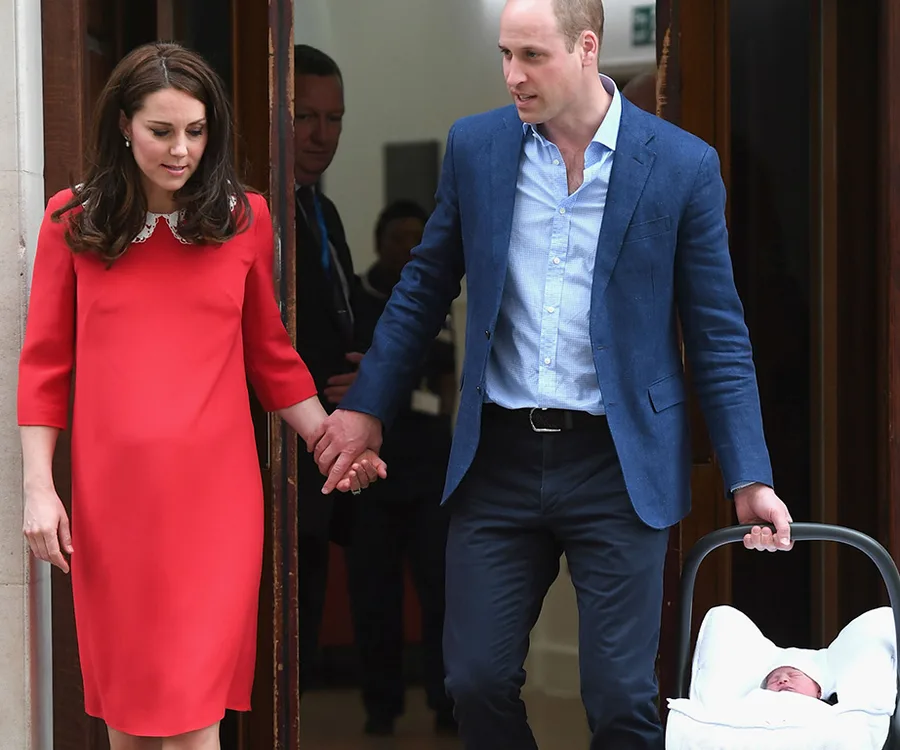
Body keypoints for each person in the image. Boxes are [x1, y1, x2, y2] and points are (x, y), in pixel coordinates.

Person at [309, 0, 794, 748]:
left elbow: (718, 336)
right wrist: (369, 406)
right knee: (473, 681)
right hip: (497, 457)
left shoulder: (682, 166)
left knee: (621, 698)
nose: (512, 75)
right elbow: (422, 289)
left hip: (617, 464)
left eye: (532, 56)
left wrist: (748, 476)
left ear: (586, 48)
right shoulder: (477, 148)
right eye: (505, 54)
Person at [17, 42, 383, 750]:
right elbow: (43, 367)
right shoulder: (73, 222)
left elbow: (272, 359)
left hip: (216, 508)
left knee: (194, 718)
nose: (181, 149)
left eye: (196, 130)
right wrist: (39, 488)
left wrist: (328, 439)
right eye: (161, 131)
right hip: (114, 506)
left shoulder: (244, 221)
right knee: (129, 720)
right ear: (124, 125)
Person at [347, 200, 457, 736]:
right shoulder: (357, 295)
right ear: (378, 241)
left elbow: (446, 380)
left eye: (419, 238)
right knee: (374, 596)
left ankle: (444, 702)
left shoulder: (442, 297)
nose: (409, 248)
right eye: (399, 238)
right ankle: (380, 707)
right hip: (369, 474)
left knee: (441, 593)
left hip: (431, 467)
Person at [291, 43, 372, 692]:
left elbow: (343, 314)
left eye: (335, 118)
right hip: (278, 447)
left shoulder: (324, 210)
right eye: (306, 116)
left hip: (331, 452)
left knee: (308, 628)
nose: (322, 135)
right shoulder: (246, 212)